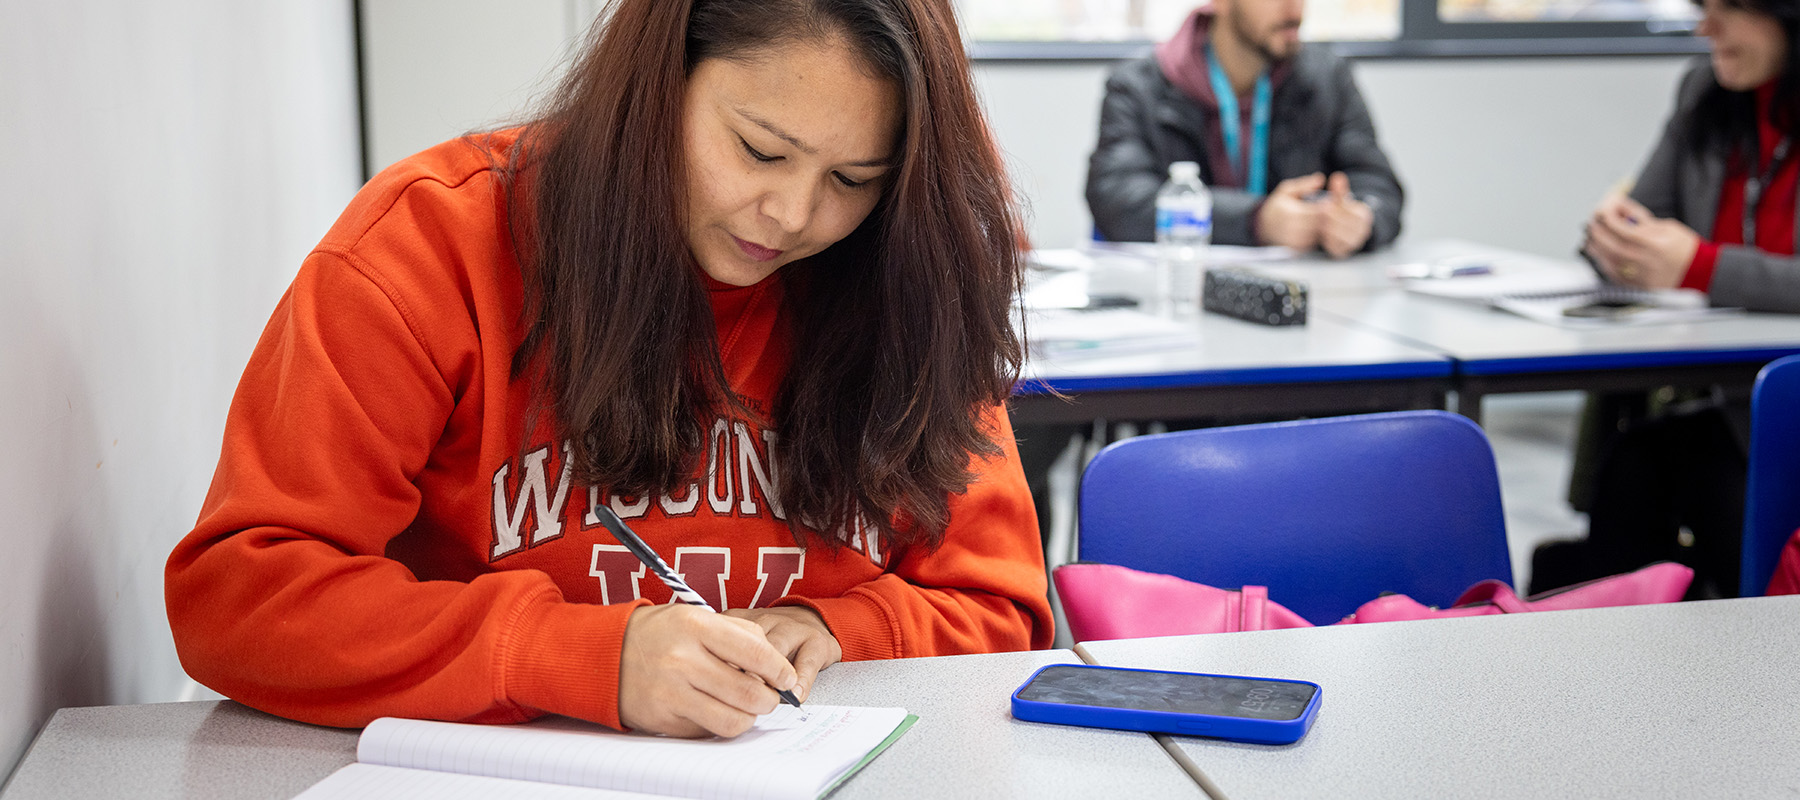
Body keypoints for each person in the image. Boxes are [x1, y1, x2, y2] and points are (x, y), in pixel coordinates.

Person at [164, 0, 1052, 740]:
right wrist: (576, 657)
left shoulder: (908, 282)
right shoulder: (431, 247)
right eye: (759, 150)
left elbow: (1005, 613)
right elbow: (242, 596)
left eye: (855, 179)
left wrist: (845, 627)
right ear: (658, 85)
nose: (790, 214)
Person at [1531, 0, 1799, 597]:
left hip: (1781, 409)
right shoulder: (1706, 89)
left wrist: (1701, 265)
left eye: (1729, 9)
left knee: (1730, 496)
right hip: (1729, 398)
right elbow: (1646, 211)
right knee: (1633, 465)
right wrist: (1617, 238)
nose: (1706, 28)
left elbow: (1695, 262)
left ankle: (1756, 672)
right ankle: (1611, 667)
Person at [1084, 0, 1404, 256]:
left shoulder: (1328, 78)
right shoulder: (1138, 86)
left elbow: (1379, 186)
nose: (1295, 9)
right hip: (1178, 293)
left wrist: (1360, 220)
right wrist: (1256, 221)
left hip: (1305, 297)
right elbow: (1118, 201)